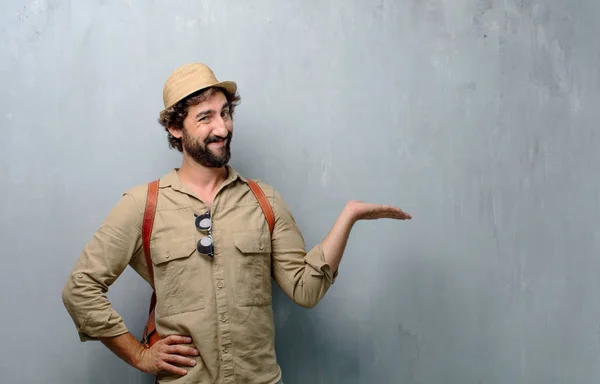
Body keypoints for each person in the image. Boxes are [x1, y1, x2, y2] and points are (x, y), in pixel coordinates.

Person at [62, 62, 412, 384]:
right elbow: (81, 290)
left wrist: (348, 216)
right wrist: (139, 355)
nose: (222, 127)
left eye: (226, 113)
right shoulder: (144, 205)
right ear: (174, 128)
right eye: (205, 117)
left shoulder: (265, 201)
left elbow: (306, 290)